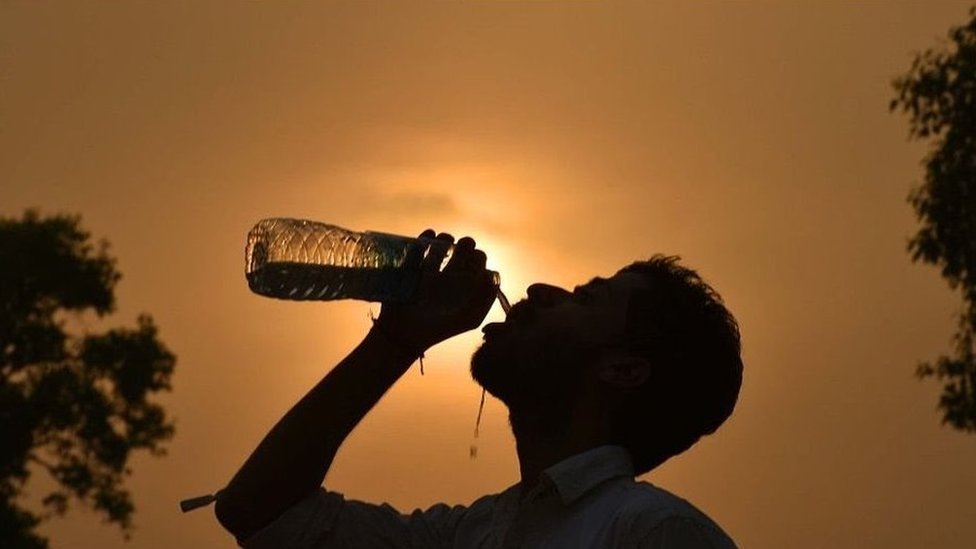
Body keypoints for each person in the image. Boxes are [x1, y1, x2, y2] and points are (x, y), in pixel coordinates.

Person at [215, 230, 743, 548]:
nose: (540, 290)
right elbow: (258, 511)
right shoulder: (471, 535)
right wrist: (396, 341)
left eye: (585, 299)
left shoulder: (654, 534)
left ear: (624, 371)